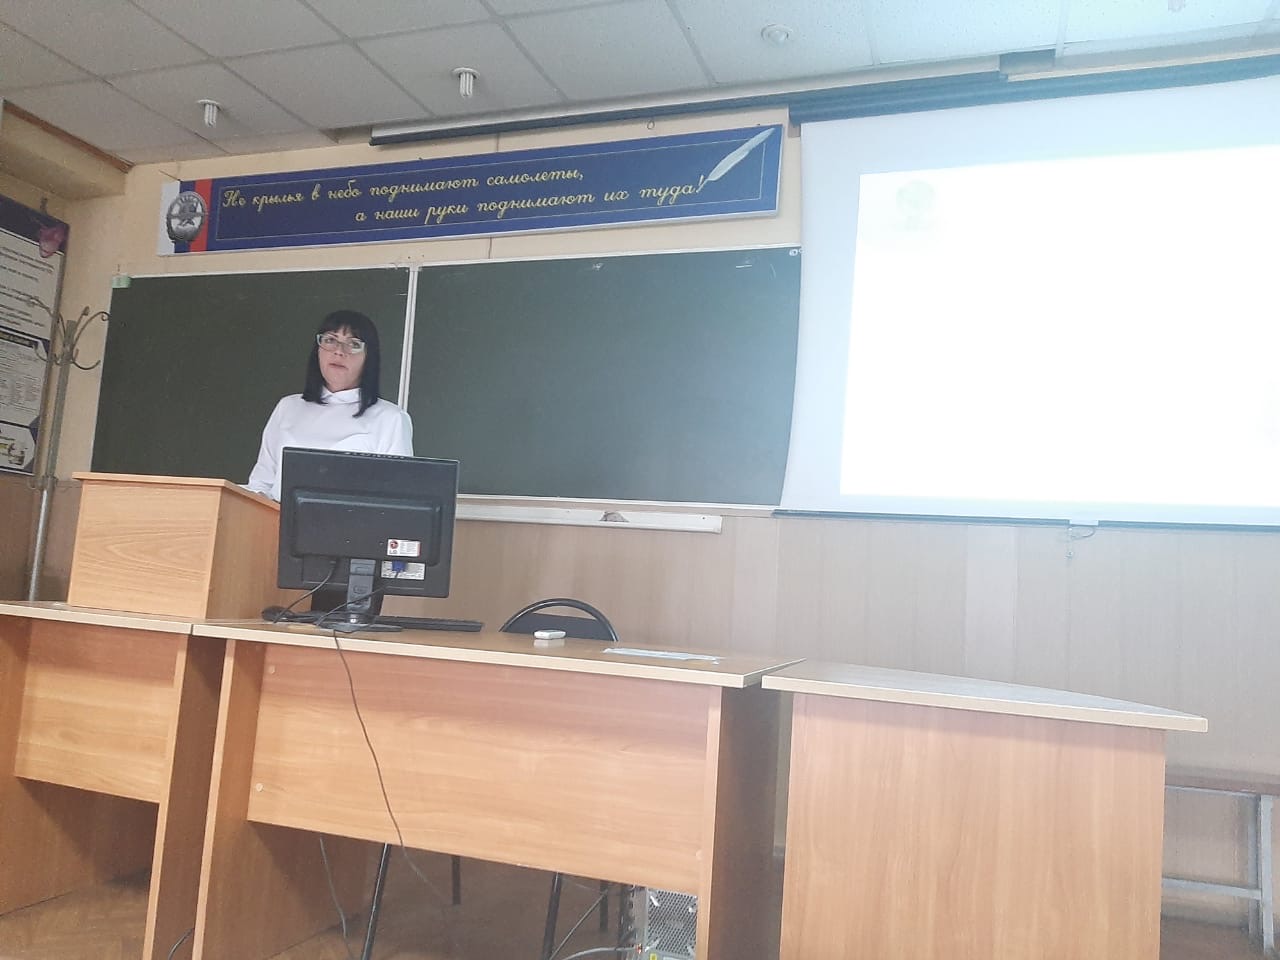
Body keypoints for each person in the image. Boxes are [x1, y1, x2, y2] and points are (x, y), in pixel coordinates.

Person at [247, 310, 413, 500]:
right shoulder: (288, 408)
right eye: (330, 340)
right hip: (277, 517)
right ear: (317, 350)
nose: (339, 351)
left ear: (369, 358)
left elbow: (398, 500)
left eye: (353, 344)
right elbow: (261, 484)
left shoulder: (391, 419)